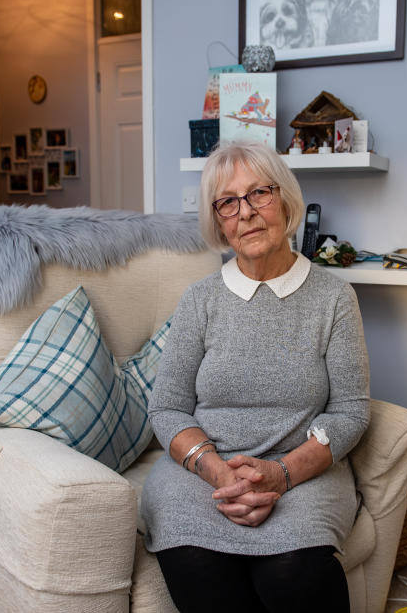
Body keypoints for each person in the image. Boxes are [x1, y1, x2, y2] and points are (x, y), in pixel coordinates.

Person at [141, 140, 370, 612]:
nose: (245, 213)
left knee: (292, 572)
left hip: (301, 469)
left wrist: (282, 475)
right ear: (219, 221)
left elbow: (350, 410)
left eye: (259, 194)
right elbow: (167, 407)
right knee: (197, 562)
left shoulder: (334, 297)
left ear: (285, 200)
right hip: (203, 470)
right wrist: (218, 471)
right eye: (228, 202)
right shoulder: (200, 300)